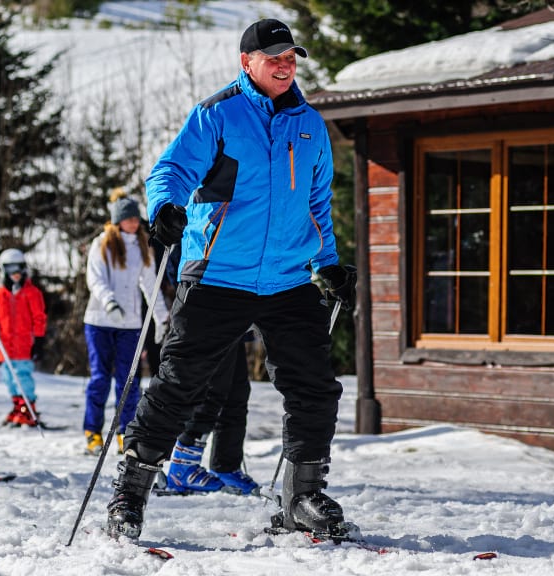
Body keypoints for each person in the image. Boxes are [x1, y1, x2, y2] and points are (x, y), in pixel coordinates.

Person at [106, 18, 357, 540]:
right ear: (247, 63)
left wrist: (326, 263)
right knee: (178, 386)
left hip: (289, 279)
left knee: (315, 387)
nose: (285, 65)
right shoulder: (217, 114)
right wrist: (165, 208)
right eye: (274, 57)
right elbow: (168, 171)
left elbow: (318, 205)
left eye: (291, 57)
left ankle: (303, 496)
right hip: (220, 274)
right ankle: (130, 492)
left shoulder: (310, 124)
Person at [160, 245, 258, 496]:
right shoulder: (195, 214)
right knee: (213, 390)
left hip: (237, 307)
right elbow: (178, 264)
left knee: (237, 393)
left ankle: (225, 465)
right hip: (207, 308)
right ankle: (182, 466)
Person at [82, 188, 169, 456]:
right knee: (99, 378)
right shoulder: (103, 243)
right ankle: (92, 432)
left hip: (130, 324)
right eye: (129, 219)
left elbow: (150, 284)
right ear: (118, 220)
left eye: (136, 219)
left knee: (128, 380)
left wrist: (161, 317)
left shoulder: (143, 246)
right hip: (100, 320)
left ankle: (125, 431)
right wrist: (109, 301)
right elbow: (94, 278)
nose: (134, 223)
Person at [0, 248, 47, 427]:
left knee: (23, 377)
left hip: (25, 346)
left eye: (18, 270)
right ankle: (18, 407)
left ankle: (28, 408)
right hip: (6, 347)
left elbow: (39, 318)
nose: (15, 274)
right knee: (9, 379)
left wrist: (39, 340)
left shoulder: (32, 293)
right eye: (10, 270)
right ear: (4, 272)